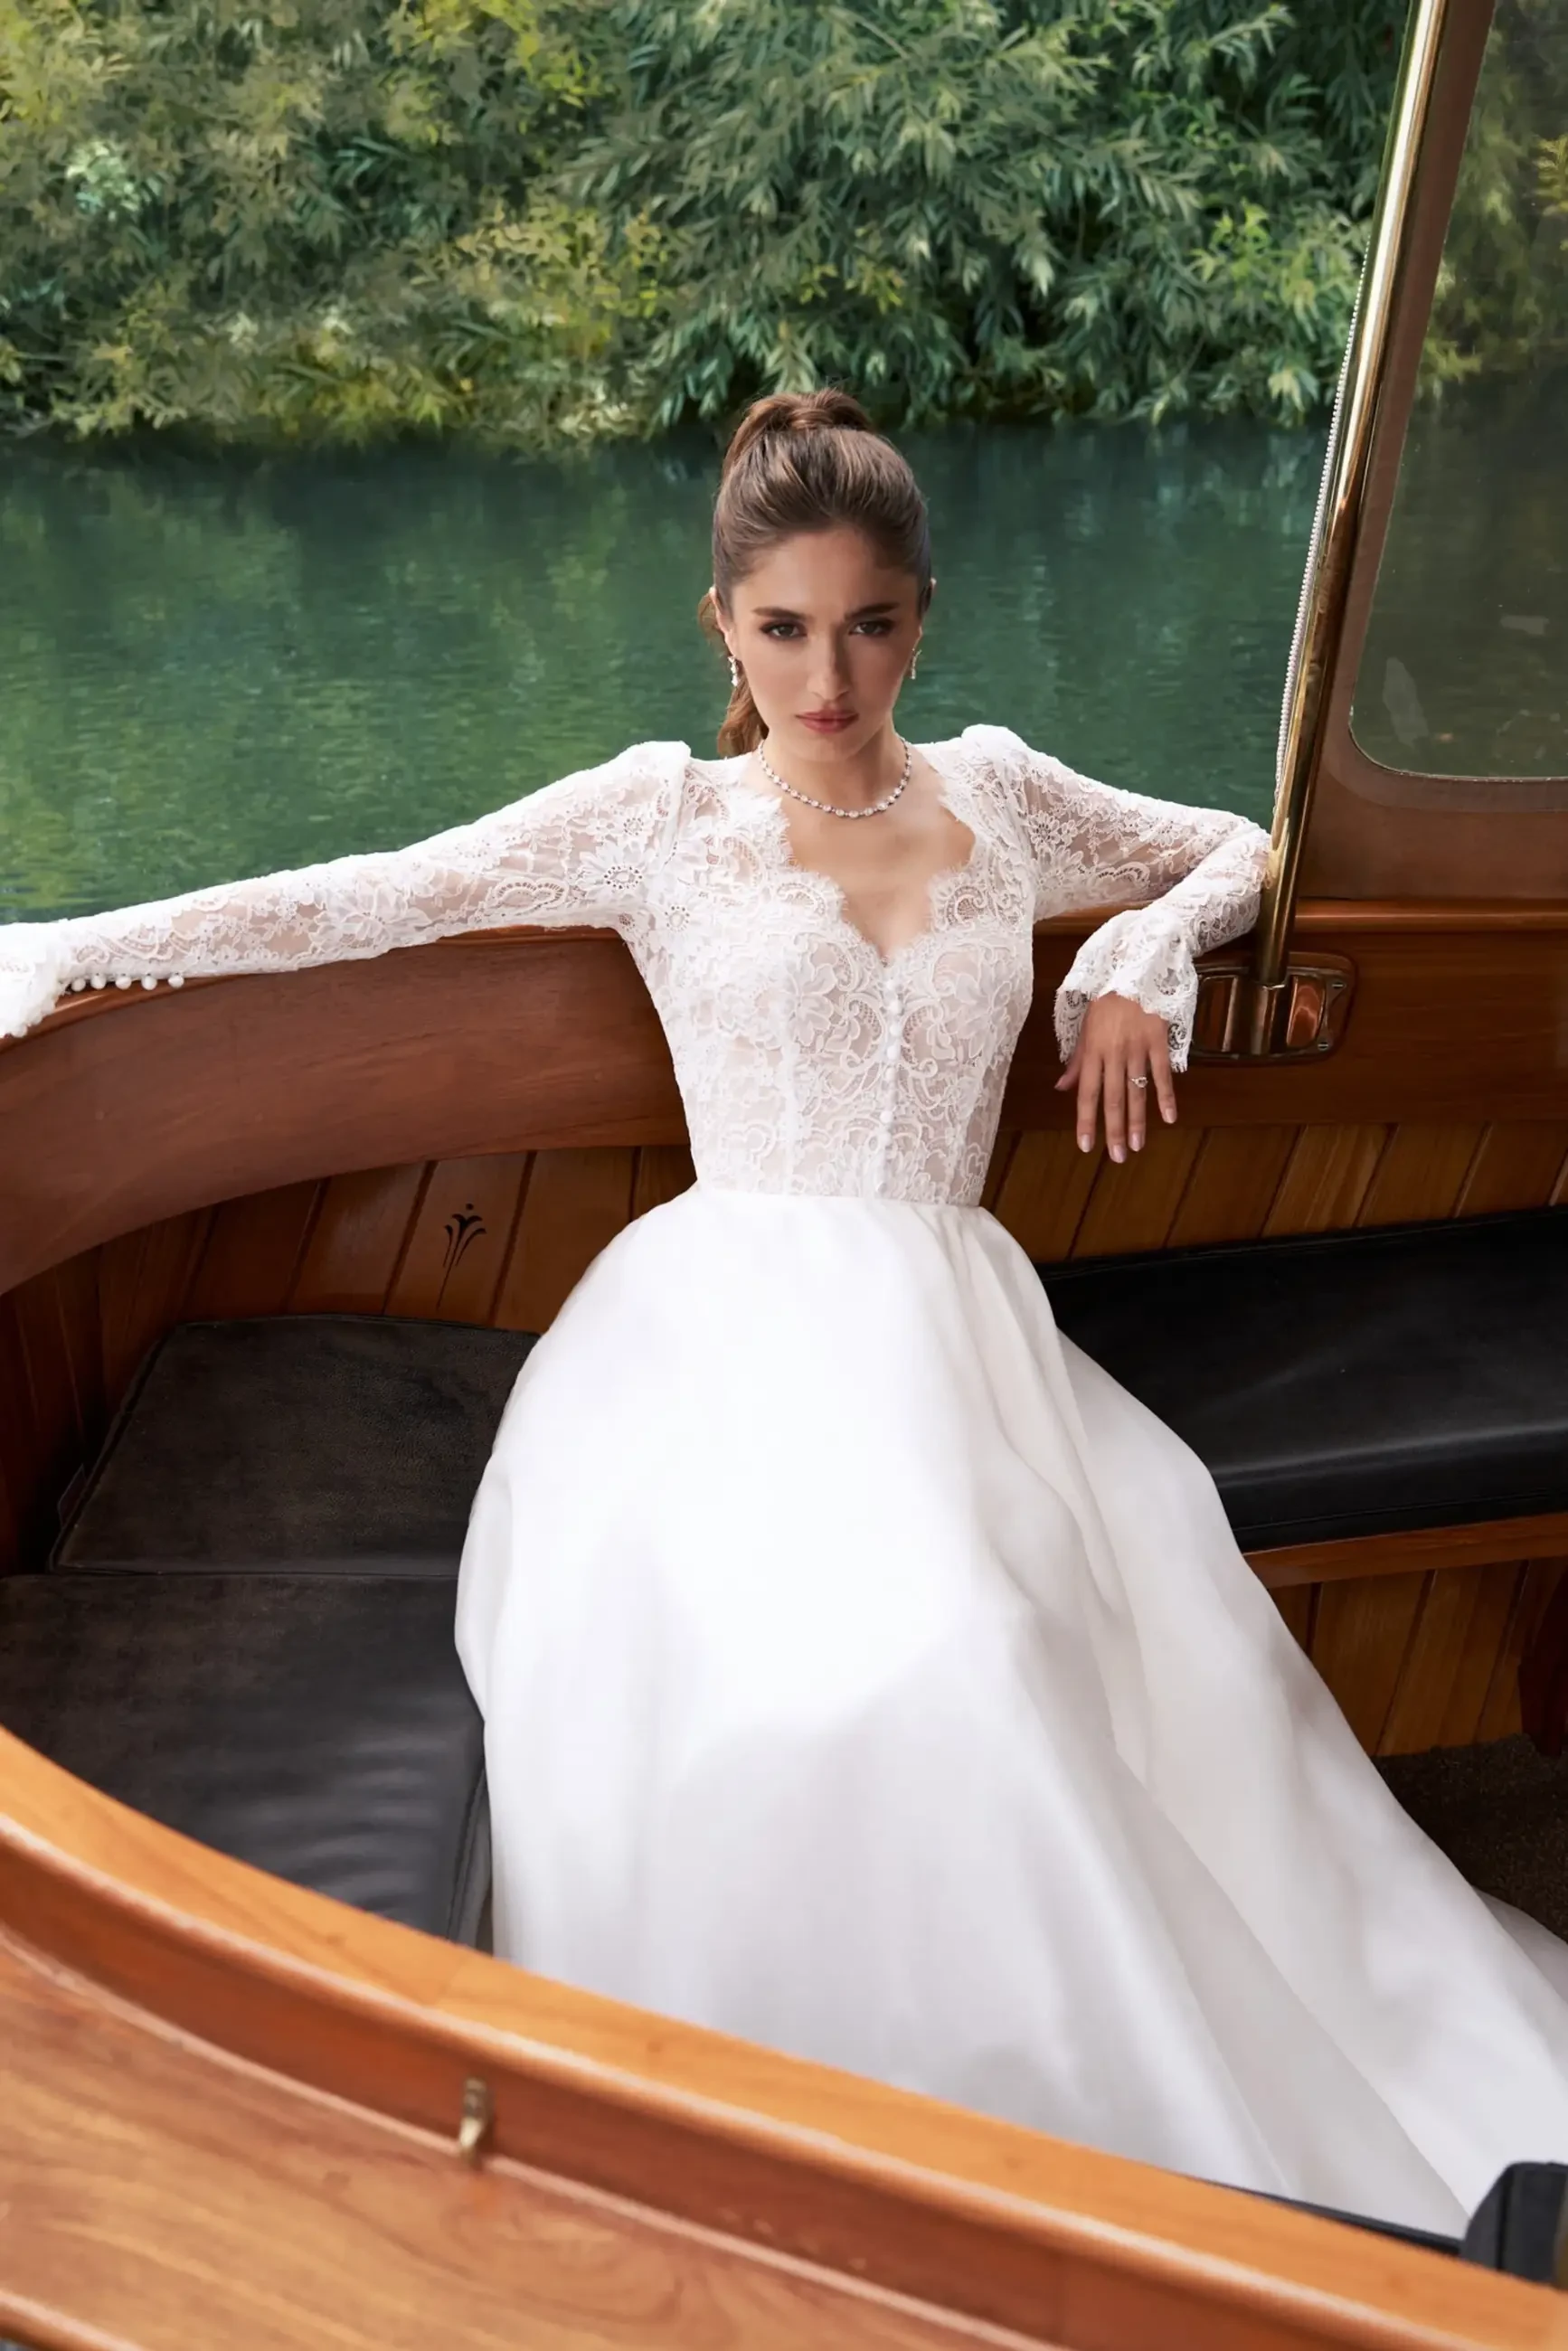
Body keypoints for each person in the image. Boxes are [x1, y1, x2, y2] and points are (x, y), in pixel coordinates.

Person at [4, 388, 1568, 2235]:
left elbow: (1225, 843)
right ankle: (877, 2167)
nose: (830, 678)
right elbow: (367, 899)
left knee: (1036, 1652)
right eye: (784, 630)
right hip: (720, 1344)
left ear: (925, 614)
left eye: (871, 623)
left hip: (963, 1338)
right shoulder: (656, 821)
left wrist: (1141, 960)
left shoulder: (997, 789)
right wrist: (71, 948)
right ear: (722, 630)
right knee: (914, 1667)